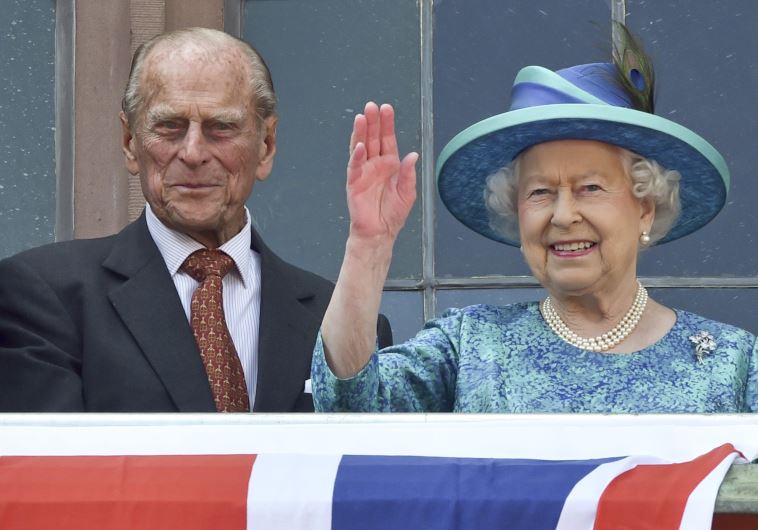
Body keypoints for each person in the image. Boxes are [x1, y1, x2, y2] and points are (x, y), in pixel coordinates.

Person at [312, 32, 758, 413]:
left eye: (590, 188)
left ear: (646, 207)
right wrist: (369, 245)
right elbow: (349, 406)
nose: (563, 216)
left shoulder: (732, 364)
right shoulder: (471, 346)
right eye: (540, 192)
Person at [0, 27, 389, 412]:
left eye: (222, 128)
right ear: (129, 142)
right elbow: (47, 454)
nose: (193, 153)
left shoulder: (339, 321)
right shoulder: (46, 297)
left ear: (266, 145)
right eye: (169, 126)